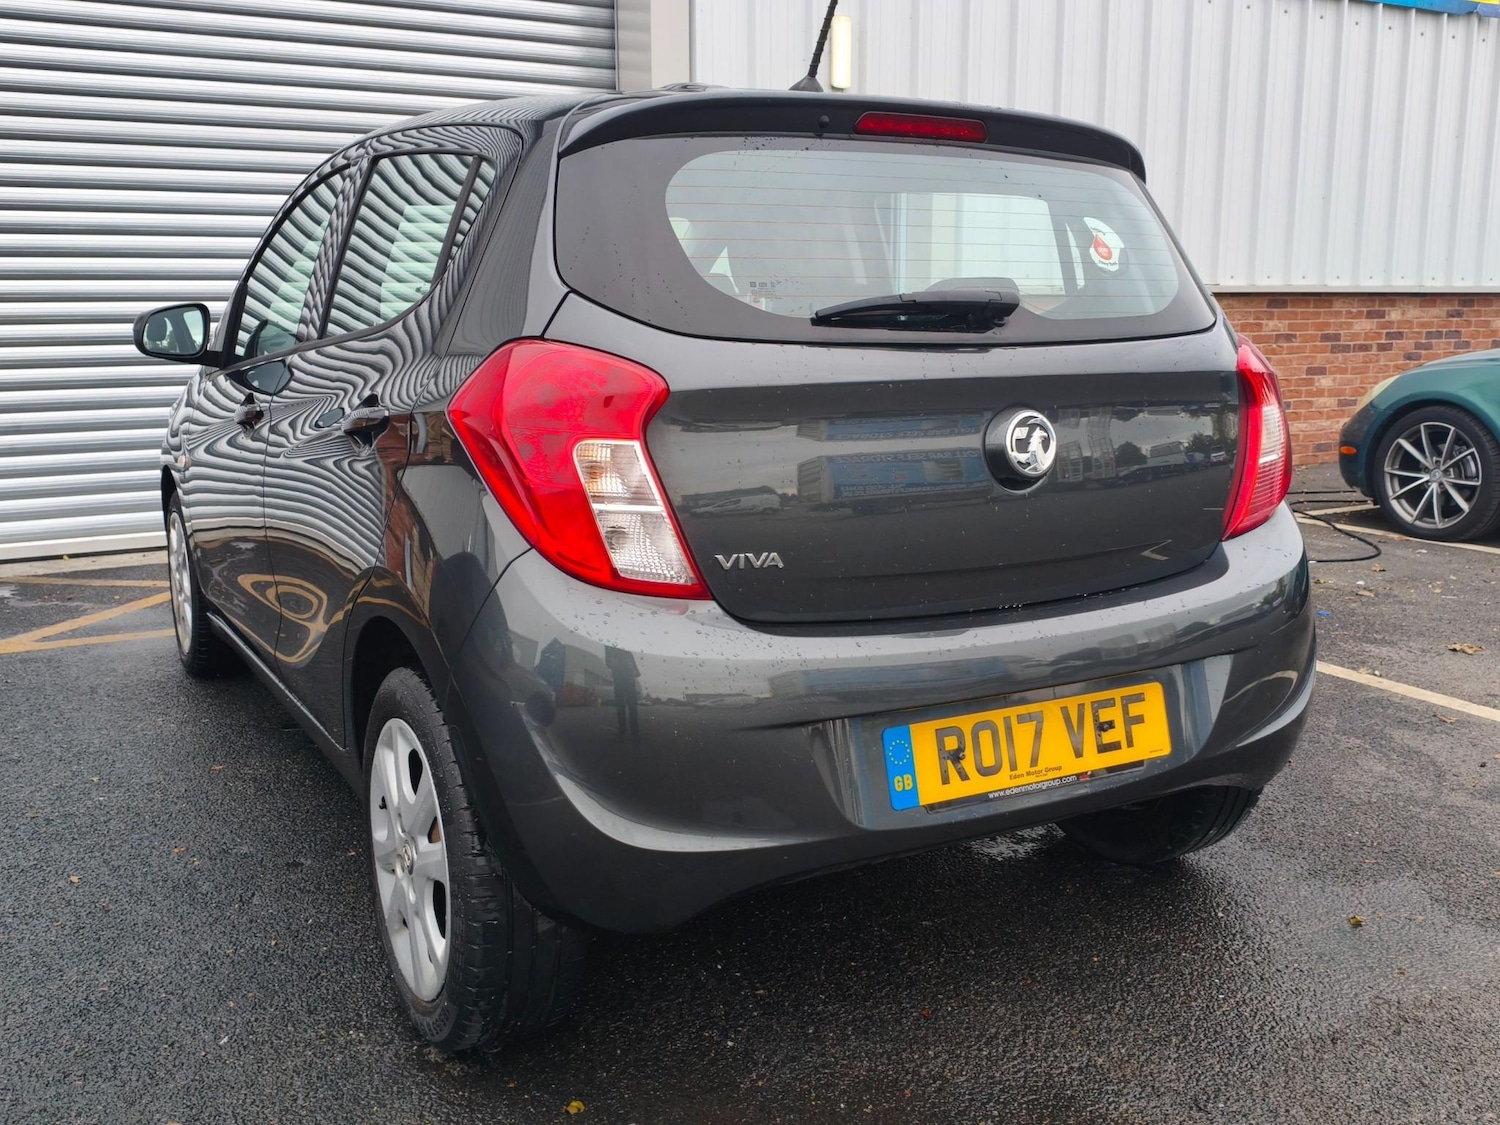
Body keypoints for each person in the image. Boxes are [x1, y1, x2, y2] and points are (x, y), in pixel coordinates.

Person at [604, 645, 640, 738]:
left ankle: (628, 730)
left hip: (623, 676)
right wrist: (633, 669)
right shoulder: (611, 645)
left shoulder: (618, 644)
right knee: (627, 705)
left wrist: (634, 669)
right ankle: (630, 731)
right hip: (622, 676)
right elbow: (609, 661)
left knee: (627, 705)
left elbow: (609, 661)